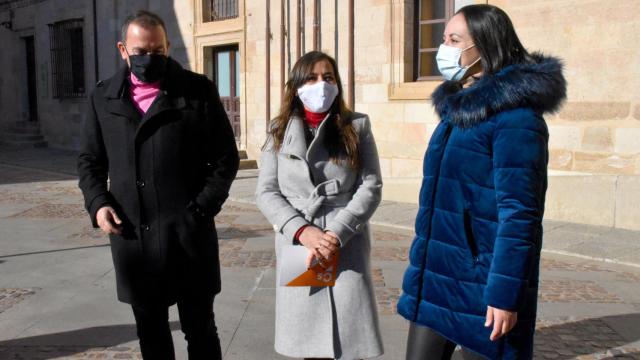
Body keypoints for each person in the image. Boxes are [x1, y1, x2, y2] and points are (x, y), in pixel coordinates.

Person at [397, 4, 566, 360]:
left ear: (485, 45)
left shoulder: (517, 118)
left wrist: (504, 295)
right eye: (443, 39)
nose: (444, 49)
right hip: (437, 278)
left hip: (483, 287)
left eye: (455, 40)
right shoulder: (457, 109)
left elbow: (519, 214)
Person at [77, 10, 239, 359]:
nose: (149, 60)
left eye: (158, 52)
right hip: (135, 241)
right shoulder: (103, 98)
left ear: (167, 48)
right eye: (140, 52)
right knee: (152, 336)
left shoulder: (197, 91)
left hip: (188, 237)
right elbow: (90, 161)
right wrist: (98, 203)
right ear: (123, 50)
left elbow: (226, 158)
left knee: (201, 331)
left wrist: (200, 208)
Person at [255, 51, 384, 360]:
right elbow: (267, 192)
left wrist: (336, 234)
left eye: (328, 77)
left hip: (345, 242)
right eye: (311, 78)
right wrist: (301, 230)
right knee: (308, 340)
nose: (321, 85)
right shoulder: (277, 131)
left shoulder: (357, 126)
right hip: (300, 244)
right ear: (296, 86)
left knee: (348, 341)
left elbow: (371, 185)